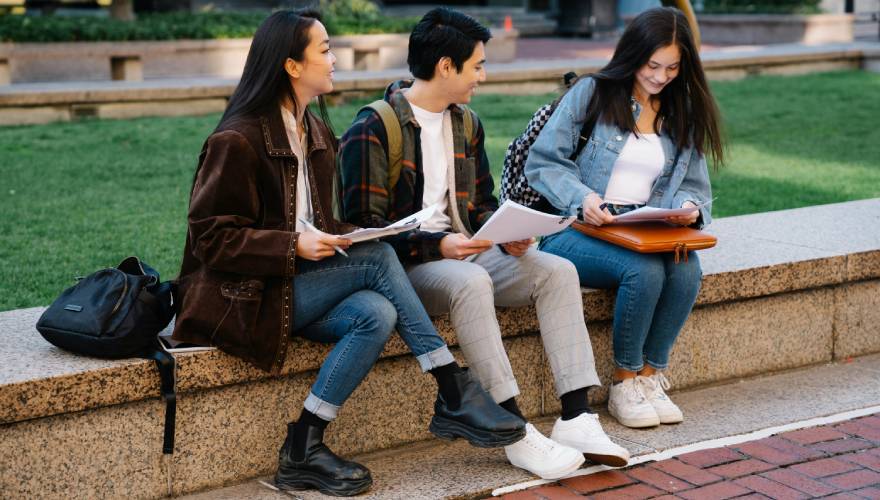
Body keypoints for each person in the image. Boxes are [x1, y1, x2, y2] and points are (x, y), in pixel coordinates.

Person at [172, 10, 525, 497]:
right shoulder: (238, 138)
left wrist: (354, 234)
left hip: (296, 284)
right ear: (292, 66)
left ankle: (304, 441)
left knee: (376, 313)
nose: (334, 59)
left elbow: (321, 220)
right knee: (378, 259)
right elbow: (210, 238)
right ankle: (450, 385)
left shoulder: (315, 131)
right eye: (324, 50)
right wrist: (293, 244)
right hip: (245, 299)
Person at [339, 7, 630, 480]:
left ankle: (576, 417)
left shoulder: (466, 123)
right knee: (470, 281)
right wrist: (439, 246)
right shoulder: (374, 127)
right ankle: (512, 428)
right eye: (477, 65)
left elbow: (479, 204)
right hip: (406, 267)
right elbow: (365, 230)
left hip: (464, 252)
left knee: (557, 271)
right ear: (445, 67)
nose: (483, 75)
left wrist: (505, 231)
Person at [525, 6, 723, 429]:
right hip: (575, 227)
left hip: (642, 228)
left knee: (687, 270)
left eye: (672, 67)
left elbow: (695, 185)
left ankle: (651, 376)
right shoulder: (593, 93)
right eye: (653, 65)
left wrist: (688, 208)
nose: (661, 76)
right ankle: (624, 382)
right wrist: (582, 198)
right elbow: (543, 163)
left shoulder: (681, 109)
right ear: (633, 54)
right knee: (644, 272)